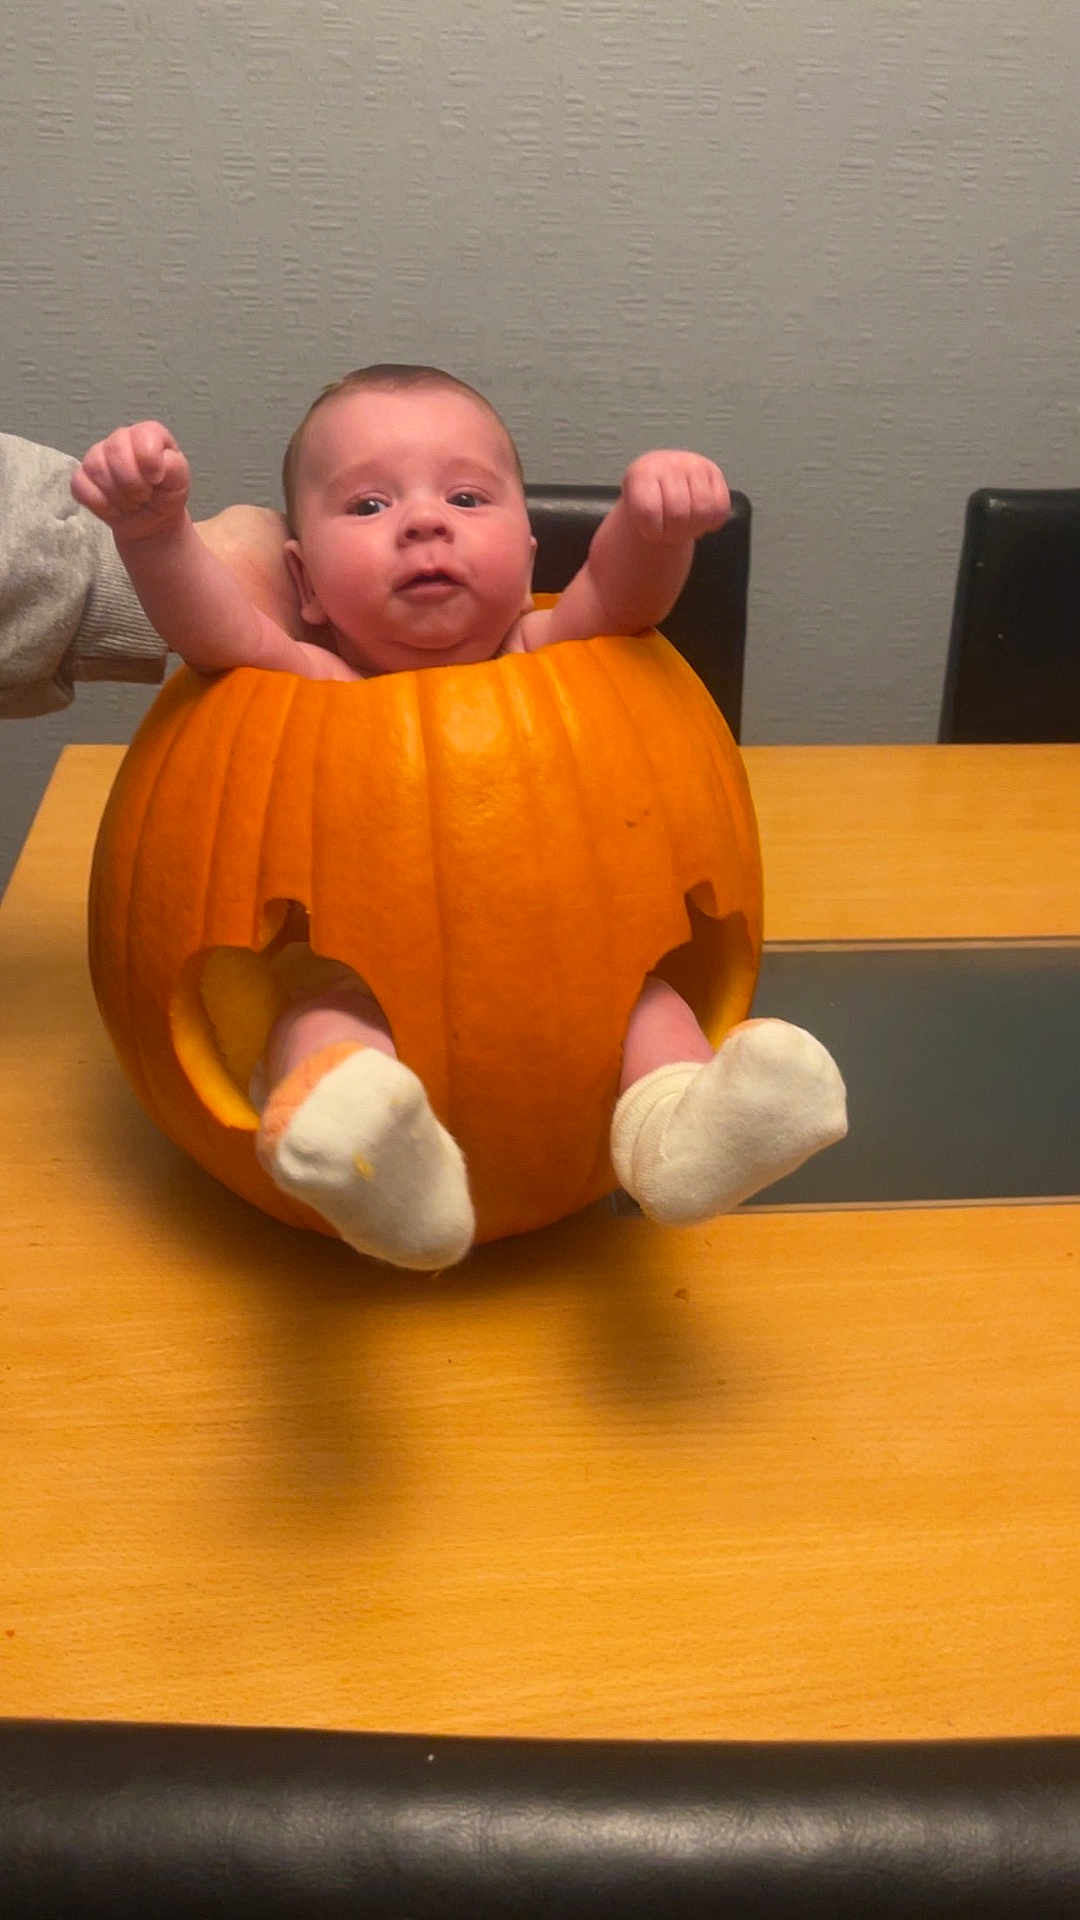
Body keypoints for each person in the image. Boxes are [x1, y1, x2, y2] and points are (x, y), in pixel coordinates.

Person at [72, 364, 847, 1270]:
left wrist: (649, 526)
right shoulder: (303, 682)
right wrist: (154, 534)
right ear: (305, 581)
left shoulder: (548, 647)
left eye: (468, 495)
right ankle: (369, 1155)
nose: (424, 519)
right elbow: (210, 633)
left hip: (571, 996)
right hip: (365, 987)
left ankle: (680, 1136)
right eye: (366, 506)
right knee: (317, 1028)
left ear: (525, 553)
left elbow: (625, 597)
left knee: (652, 1006)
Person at [0, 430, 299, 717]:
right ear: (302, 577)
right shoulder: (311, 671)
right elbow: (231, 633)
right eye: (349, 508)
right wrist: (159, 537)